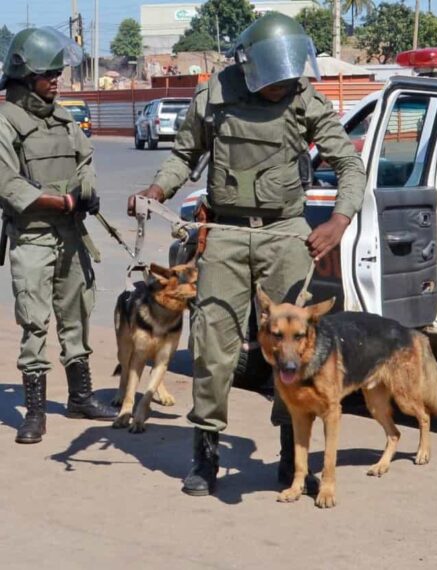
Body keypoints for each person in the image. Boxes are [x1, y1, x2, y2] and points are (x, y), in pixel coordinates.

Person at [128, 13, 365, 496]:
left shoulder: (304, 98)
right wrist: (157, 188)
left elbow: (348, 162)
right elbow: (184, 155)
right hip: (227, 234)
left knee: (292, 351)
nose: (283, 84)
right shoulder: (215, 95)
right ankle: (206, 455)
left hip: (286, 236)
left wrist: (339, 221)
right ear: (253, 66)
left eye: (289, 74)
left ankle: (289, 458)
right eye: (274, 77)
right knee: (213, 349)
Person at [0, 27, 115, 445]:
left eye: (57, 74)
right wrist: (60, 202)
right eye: (49, 75)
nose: (57, 81)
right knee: (34, 321)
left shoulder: (63, 117)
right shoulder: (6, 122)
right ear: (24, 77)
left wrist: (85, 192)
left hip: (71, 234)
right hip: (32, 236)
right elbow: (8, 185)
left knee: (78, 313)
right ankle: (33, 411)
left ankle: (80, 396)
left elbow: (85, 157)